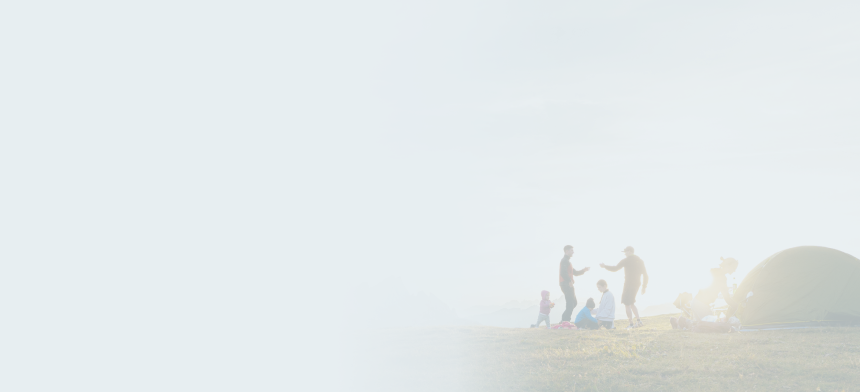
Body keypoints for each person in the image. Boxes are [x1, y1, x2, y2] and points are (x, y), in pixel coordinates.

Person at [600, 246, 648, 329]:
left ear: (629, 251)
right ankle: (639, 321)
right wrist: (644, 286)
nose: (625, 254)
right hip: (637, 284)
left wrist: (605, 266)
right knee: (632, 302)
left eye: (625, 252)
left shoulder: (626, 260)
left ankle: (631, 324)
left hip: (628, 284)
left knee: (627, 304)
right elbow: (645, 275)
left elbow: (615, 268)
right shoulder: (640, 261)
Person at [690, 257, 738, 321]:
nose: (734, 270)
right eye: (734, 268)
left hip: (695, 301)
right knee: (712, 327)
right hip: (701, 305)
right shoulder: (722, 277)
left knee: (703, 328)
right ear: (728, 265)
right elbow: (727, 298)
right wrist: (736, 306)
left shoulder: (713, 271)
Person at [559, 245, 591, 323]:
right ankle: (566, 321)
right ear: (567, 251)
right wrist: (569, 281)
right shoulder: (564, 261)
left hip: (568, 284)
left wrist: (583, 270)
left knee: (574, 303)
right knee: (570, 303)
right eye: (571, 250)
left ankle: (564, 320)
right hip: (566, 284)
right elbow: (563, 273)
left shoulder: (568, 261)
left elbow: (575, 273)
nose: (573, 252)